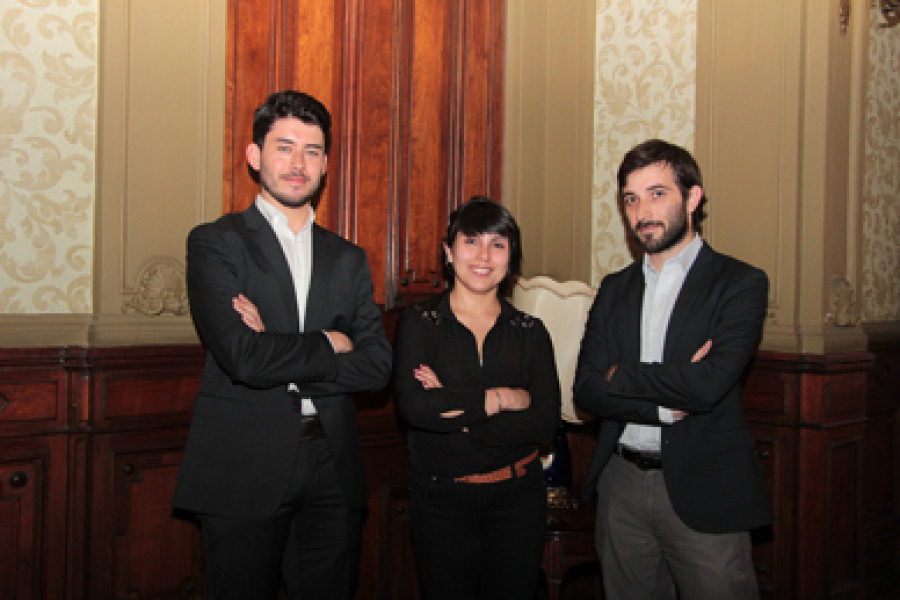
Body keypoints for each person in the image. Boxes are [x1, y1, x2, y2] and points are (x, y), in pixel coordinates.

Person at [172, 90, 392, 600]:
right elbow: (243, 358)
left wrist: (276, 346)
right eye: (284, 147)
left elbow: (377, 367)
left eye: (312, 151)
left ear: (326, 165)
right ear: (255, 156)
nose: (298, 164)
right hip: (243, 465)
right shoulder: (215, 242)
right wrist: (330, 342)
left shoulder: (348, 258)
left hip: (332, 466)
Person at [573, 139, 772, 600]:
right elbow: (587, 390)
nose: (642, 211)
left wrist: (621, 375)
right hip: (620, 484)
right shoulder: (614, 288)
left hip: (706, 486)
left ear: (693, 197)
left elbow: (707, 385)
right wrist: (664, 406)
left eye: (657, 193)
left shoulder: (740, 282)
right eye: (631, 199)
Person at [392, 197, 561, 600]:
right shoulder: (420, 324)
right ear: (449, 253)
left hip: (518, 500)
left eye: (497, 244)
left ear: (510, 258)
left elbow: (544, 422)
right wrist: (502, 398)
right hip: (441, 501)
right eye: (471, 241)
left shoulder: (531, 332)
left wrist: (456, 412)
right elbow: (416, 408)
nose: (484, 256)